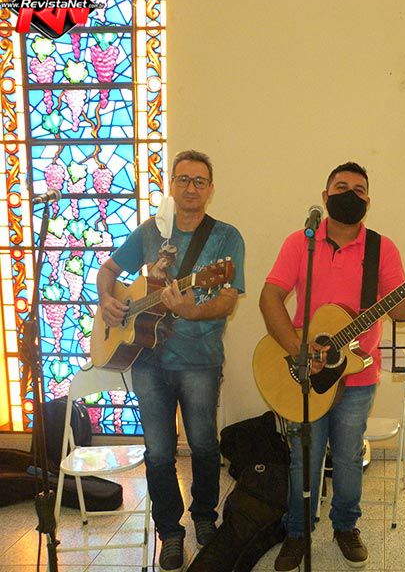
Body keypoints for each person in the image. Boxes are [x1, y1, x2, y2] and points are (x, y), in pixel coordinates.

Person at [260, 161, 405, 570]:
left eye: (359, 190)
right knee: (303, 459)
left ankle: (345, 526)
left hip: (357, 374)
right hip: (304, 374)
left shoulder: (381, 248)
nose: (350, 195)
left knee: (347, 457)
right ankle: (297, 531)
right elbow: (270, 298)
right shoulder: (300, 243)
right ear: (325, 197)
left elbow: (400, 309)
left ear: (368, 202)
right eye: (341, 187)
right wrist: (297, 347)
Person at [96, 150, 245, 572]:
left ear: (210, 189)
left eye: (199, 181)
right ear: (172, 184)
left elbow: (228, 298)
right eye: (183, 179)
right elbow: (107, 270)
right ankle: (170, 532)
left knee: (203, 445)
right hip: (147, 361)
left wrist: (190, 310)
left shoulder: (226, 238)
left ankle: (204, 516)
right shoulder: (150, 231)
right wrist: (107, 300)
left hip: (200, 360)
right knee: (159, 452)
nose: (191, 187)